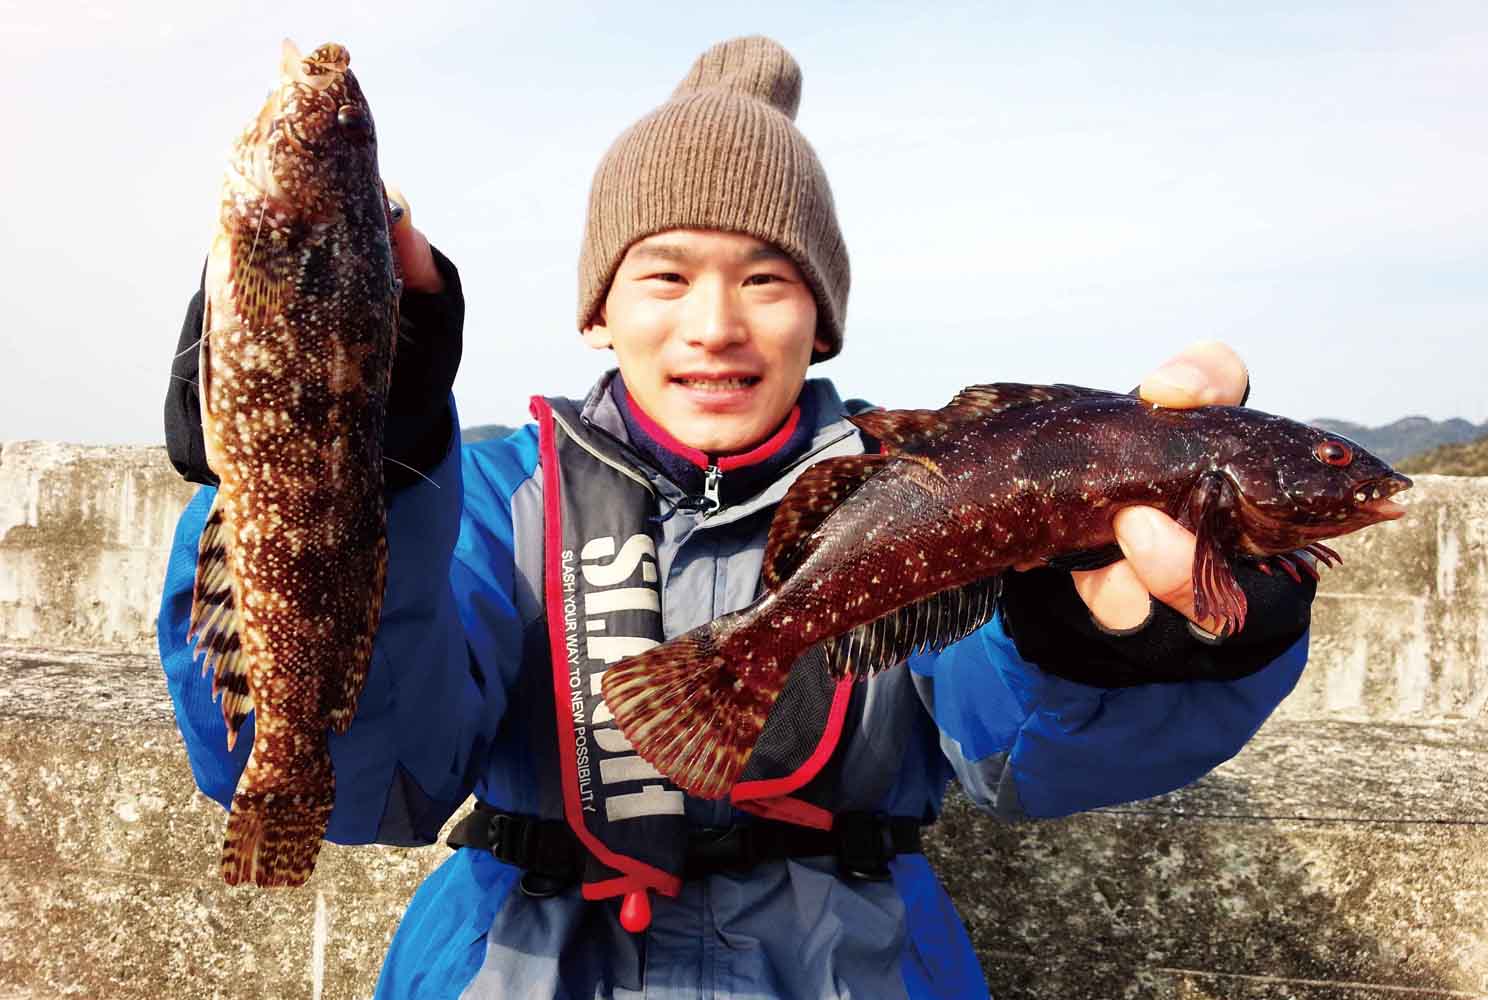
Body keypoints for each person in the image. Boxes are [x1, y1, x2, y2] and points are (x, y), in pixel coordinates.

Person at [159, 35, 1316, 998]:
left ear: (824, 319)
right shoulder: (489, 496)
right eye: (663, 276)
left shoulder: (913, 488)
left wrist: (1113, 643)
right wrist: (362, 455)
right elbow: (380, 781)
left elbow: (1014, 751)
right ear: (597, 313)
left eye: (768, 278)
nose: (715, 323)